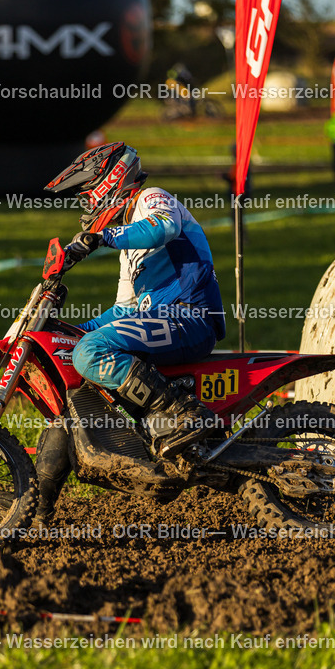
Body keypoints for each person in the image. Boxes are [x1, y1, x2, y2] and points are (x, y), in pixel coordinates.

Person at [34, 142, 226, 521]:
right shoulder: (130, 254)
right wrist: (71, 330)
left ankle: (184, 413)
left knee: (90, 352)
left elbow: (163, 228)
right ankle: (37, 508)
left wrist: (105, 237)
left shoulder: (153, 199)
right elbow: (123, 311)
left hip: (191, 318)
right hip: (164, 323)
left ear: (110, 182)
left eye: (87, 195)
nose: (86, 206)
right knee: (78, 367)